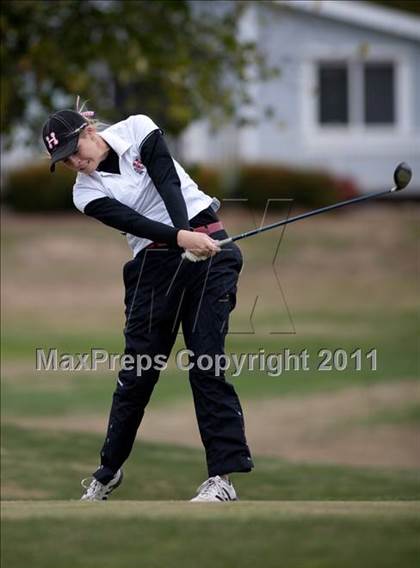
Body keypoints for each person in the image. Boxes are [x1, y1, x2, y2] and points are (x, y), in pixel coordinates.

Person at [41, 101, 254, 502]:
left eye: (74, 152)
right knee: (137, 373)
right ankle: (107, 472)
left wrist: (188, 234)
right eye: (64, 162)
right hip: (154, 268)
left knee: (207, 363)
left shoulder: (138, 128)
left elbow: (167, 180)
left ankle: (221, 480)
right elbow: (133, 223)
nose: (74, 164)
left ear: (88, 131)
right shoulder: (84, 194)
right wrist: (180, 240)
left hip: (209, 247)